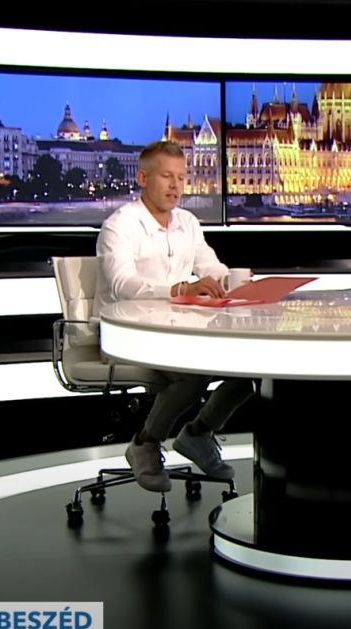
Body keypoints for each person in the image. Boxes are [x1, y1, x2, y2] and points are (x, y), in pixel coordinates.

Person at [95, 140, 254, 492]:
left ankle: (198, 433)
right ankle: (144, 443)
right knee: (192, 375)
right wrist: (181, 288)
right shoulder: (119, 226)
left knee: (253, 366)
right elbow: (123, 285)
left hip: (181, 331)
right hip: (129, 334)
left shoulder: (188, 222)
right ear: (143, 178)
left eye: (181, 177)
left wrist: (230, 280)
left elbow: (210, 266)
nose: (176, 185)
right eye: (167, 176)